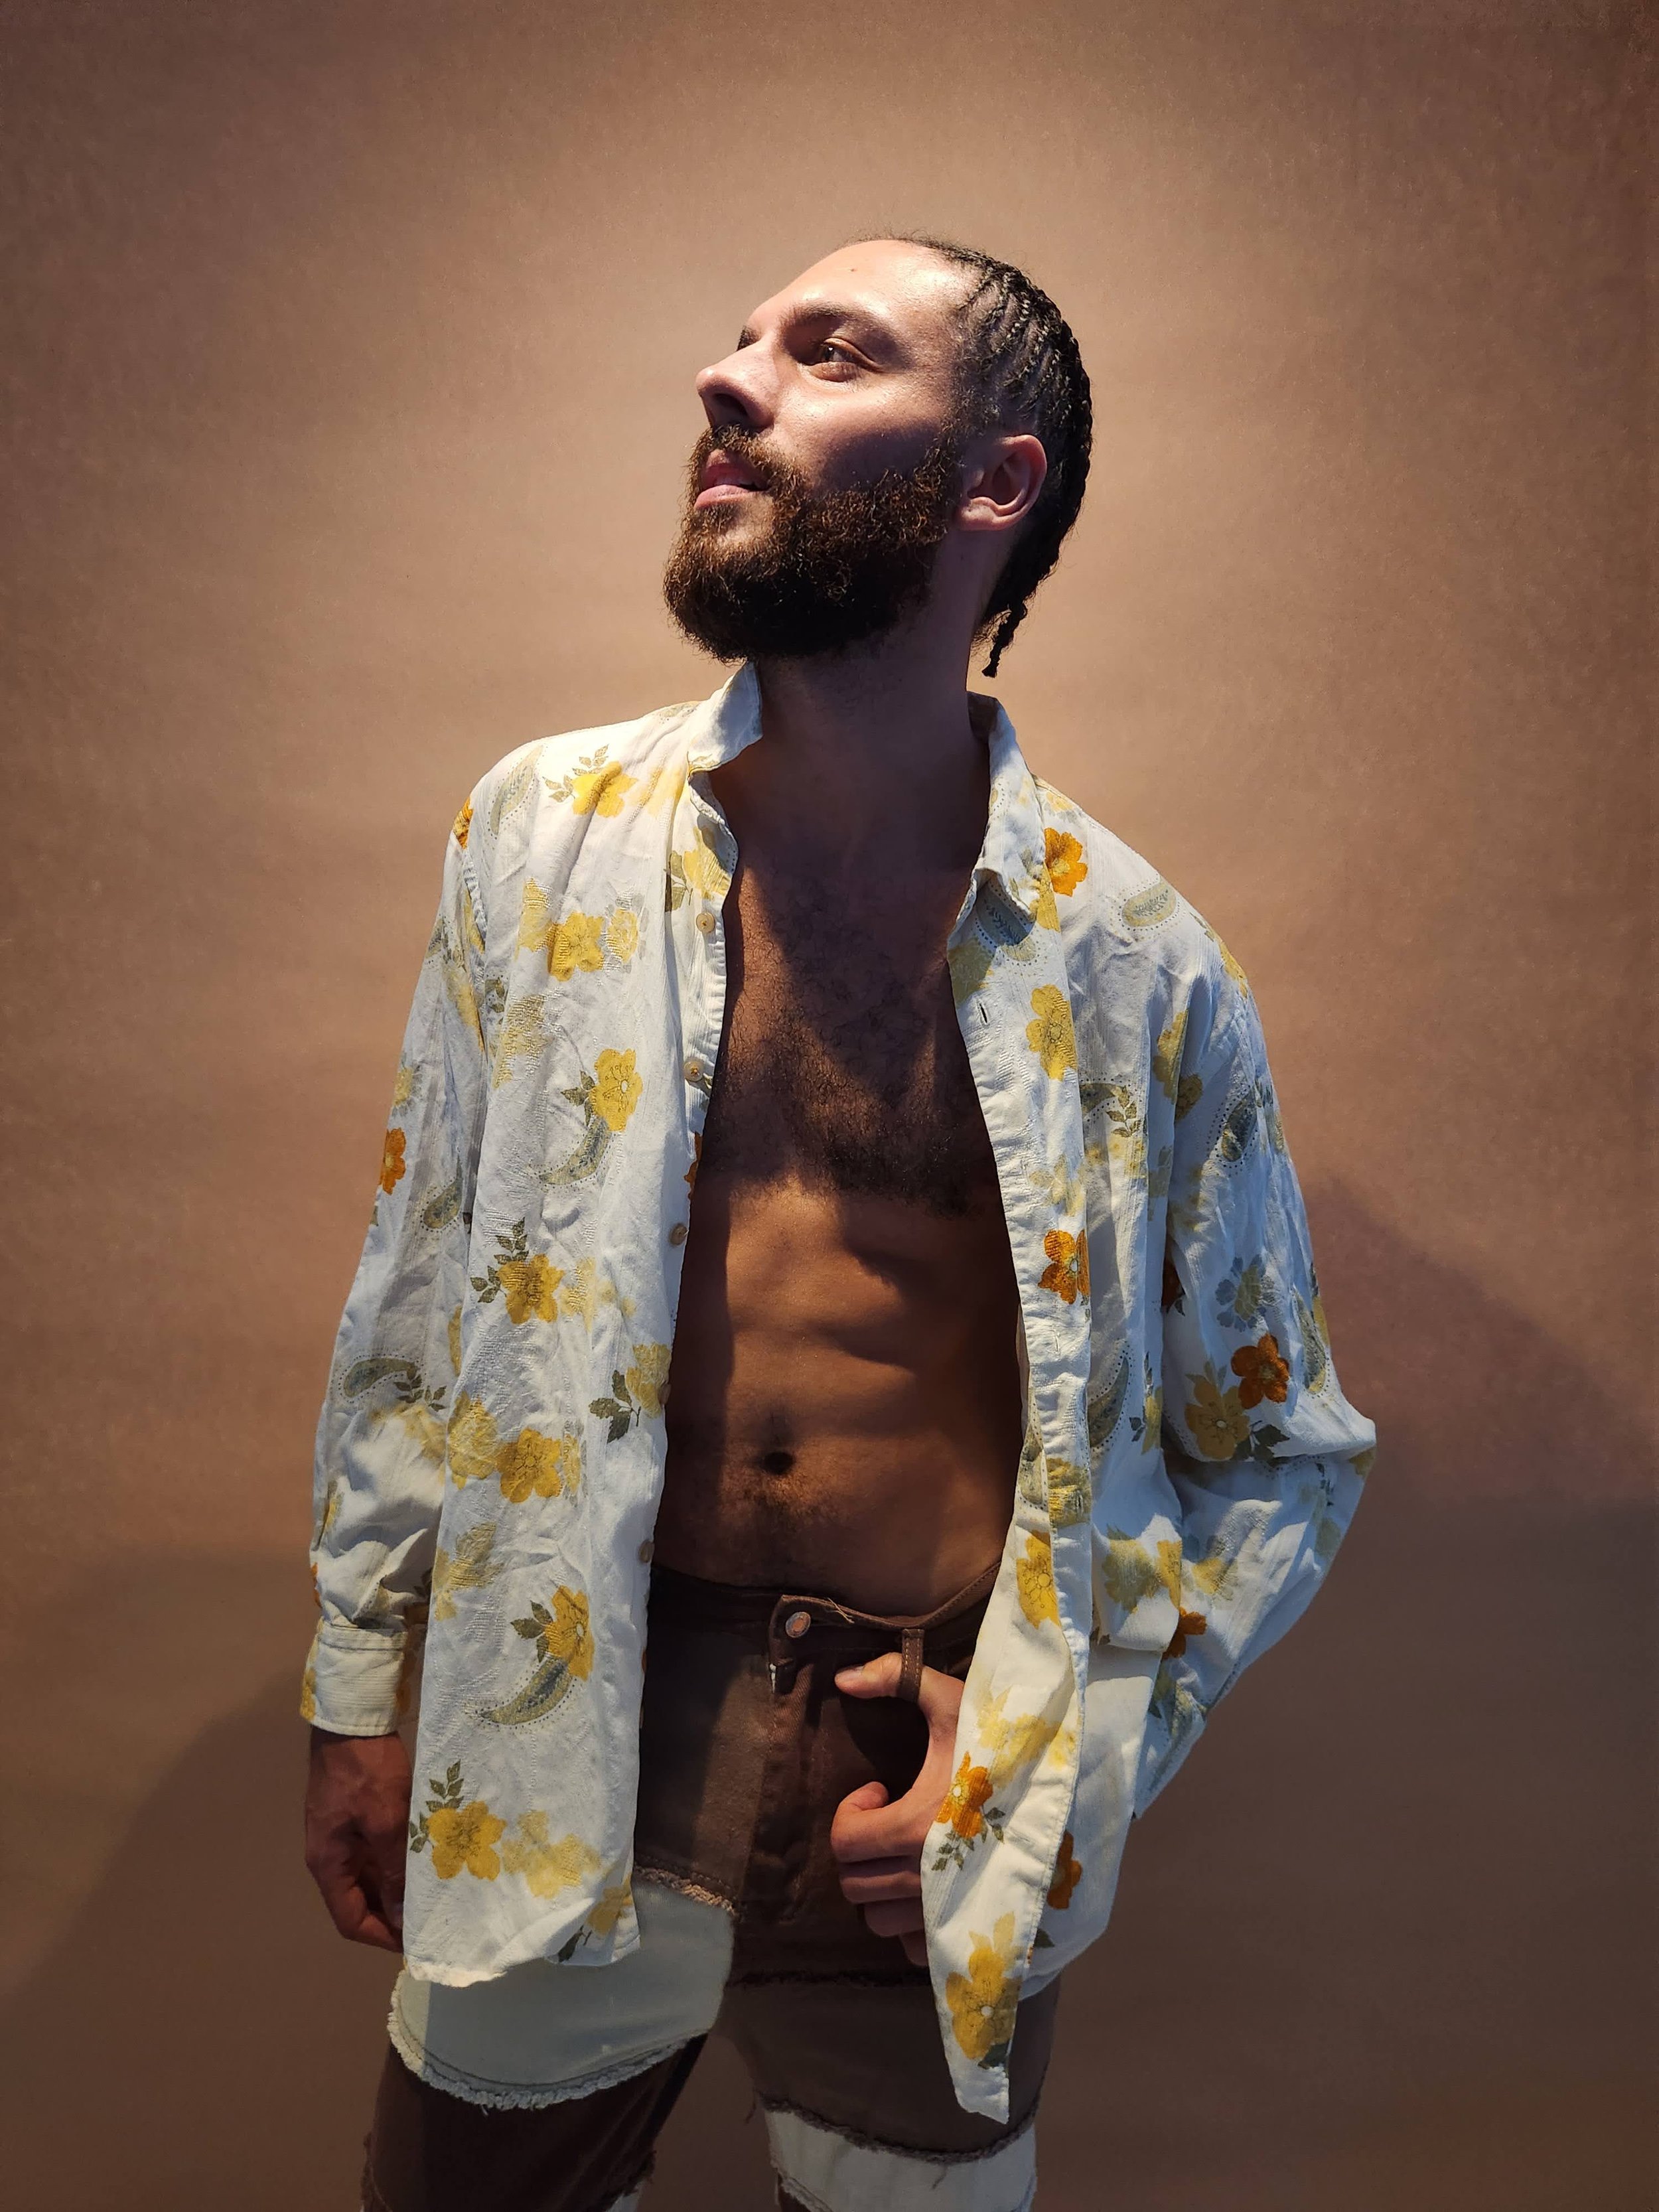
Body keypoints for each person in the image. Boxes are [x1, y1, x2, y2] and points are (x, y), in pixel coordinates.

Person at [302, 234, 1376, 2212]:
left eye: (826, 352)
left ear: (994, 483)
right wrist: (361, 1685)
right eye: (734, 340)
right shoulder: (536, 836)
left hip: (926, 1782)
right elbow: (418, 1291)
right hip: (560, 1724)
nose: (727, 381)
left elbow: (1283, 1453)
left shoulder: (1137, 965)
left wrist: (1074, 1750)